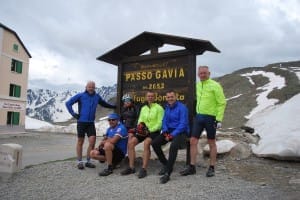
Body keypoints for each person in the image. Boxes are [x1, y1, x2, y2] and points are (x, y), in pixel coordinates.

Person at [180, 66, 226, 177]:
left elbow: (222, 102)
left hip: (211, 118)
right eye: (201, 73)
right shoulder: (197, 85)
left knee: (211, 142)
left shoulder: (215, 85)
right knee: (193, 141)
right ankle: (192, 166)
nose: (203, 75)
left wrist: (219, 119)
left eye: (205, 73)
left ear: (209, 73)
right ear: (198, 74)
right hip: (199, 117)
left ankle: (212, 167)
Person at [66, 81, 116, 170]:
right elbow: (68, 103)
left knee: (92, 141)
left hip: (90, 123)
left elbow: (104, 103)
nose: (91, 88)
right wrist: (73, 114)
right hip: (81, 122)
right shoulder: (80, 96)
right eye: (89, 87)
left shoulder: (97, 97)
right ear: (86, 87)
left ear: (94, 88)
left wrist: (113, 107)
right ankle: (79, 162)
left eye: (93, 87)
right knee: (80, 142)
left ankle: (88, 161)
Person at [121, 91, 164, 178]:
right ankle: (131, 167)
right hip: (143, 131)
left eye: (152, 96)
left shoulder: (159, 108)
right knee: (131, 143)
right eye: (148, 96)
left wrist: (149, 130)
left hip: (154, 131)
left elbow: (160, 123)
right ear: (146, 97)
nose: (150, 98)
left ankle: (144, 169)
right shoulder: (144, 108)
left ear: (154, 97)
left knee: (146, 143)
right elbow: (140, 120)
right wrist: (140, 127)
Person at [151, 90, 189, 184]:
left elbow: (183, 124)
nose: (170, 99)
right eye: (168, 97)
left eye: (172, 97)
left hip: (181, 132)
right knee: (155, 143)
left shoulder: (182, 107)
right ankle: (166, 164)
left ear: (176, 97)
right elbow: (164, 121)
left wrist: (172, 135)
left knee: (173, 146)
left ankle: (168, 173)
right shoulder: (167, 107)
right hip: (169, 131)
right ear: (166, 98)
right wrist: (165, 131)